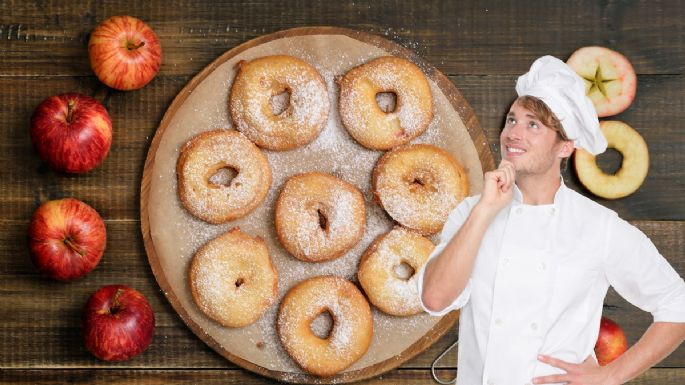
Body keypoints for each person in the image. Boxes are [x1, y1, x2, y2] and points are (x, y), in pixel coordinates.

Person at [417, 55, 685, 385]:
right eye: (512, 120)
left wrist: (610, 376)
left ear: (565, 147)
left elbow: (677, 303)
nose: (513, 133)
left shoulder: (598, 227)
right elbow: (434, 299)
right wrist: (485, 211)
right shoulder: (473, 211)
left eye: (533, 125)